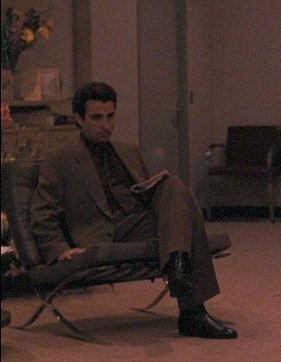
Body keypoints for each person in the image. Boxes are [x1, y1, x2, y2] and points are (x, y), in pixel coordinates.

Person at [30, 81, 236, 339]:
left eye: (110, 116)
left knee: (173, 185)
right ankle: (192, 311)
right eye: (97, 118)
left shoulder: (128, 151)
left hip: (138, 222)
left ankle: (178, 264)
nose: (106, 125)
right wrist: (59, 249)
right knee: (188, 223)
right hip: (103, 233)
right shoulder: (60, 159)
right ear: (79, 119)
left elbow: (152, 196)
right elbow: (43, 212)